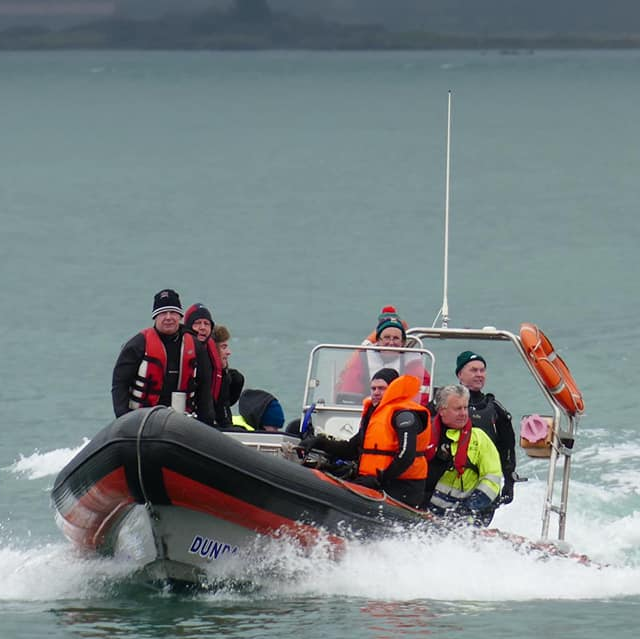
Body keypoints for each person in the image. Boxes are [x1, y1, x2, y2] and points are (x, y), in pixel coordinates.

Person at [302, 368, 431, 508]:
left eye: (381, 388)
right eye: (373, 388)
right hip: (373, 481)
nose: (376, 392)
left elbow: (406, 455)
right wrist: (319, 442)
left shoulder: (404, 415)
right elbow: (351, 449)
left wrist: (380, 479)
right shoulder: (373, 414)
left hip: (401, 486)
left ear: (394, 389)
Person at [111, 289, 215, 426]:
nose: (168, 317)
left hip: (182, 421)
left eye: (173, 312)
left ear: (180, 316)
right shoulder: (137, 345)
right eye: (163, 313)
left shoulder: (196, 347)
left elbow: (204, 388)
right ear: (155, 317)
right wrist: (123, 420)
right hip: (142, 420)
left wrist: (206, 423)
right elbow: (120, 384)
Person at [424, 384, 502, 526]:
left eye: (465, 408)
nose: (463, 413)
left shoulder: (479, 439)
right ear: (442, 410)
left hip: (466, 515)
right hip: (427, 512)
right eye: (457, 409)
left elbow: (492, 479)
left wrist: (468, 508)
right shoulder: (425, 434)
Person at [455, 350, 517, 505]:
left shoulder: (495, 409)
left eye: (482, 370)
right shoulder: (445, 404)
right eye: (473, 370)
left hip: (485, 483)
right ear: (460, 375)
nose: (479, 374)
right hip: (452, 480)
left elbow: (507, 446)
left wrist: (509, 481)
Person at [337, 307, 430, 405]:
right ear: (378, 341)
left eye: (396, 338)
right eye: (386, 338)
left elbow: (421, 396)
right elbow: (350, 392)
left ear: (403, 342)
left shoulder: (412, 361)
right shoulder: (363, 358)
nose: (391, 342)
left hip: (398, 413)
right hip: (365, 410)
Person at [212, 324, 245, 426]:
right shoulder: (207, 380)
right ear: (213, 350)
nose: (228, 352)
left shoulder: (232, 378)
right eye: (223, 347)